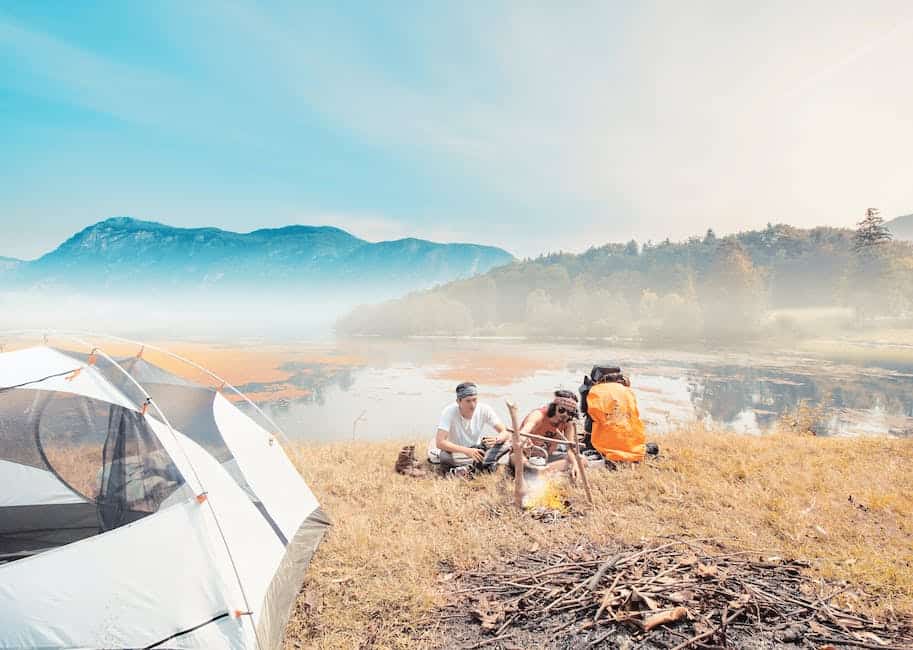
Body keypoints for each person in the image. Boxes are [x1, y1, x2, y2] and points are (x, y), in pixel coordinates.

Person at [580, 364, 656, 465]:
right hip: (633, 447)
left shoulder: (595, 391)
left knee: (593, 418)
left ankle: (595, 449)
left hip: (606, 448)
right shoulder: (628, 391)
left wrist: (584, 393)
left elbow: (586, 413)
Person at [428, 382, 509, 475]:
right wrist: (467, 451)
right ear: (458, 401)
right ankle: (482, 465)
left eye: (475, 400)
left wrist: (497, 439)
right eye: (468, 401)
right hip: (457, 451)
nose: (473, 405)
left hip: (477, 450)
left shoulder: (484, 409)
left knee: (506, 445)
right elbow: (440, 442)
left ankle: (467, 468)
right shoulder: (449, 411)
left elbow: (505, 432)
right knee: (444, 457)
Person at [517, 390, 579, 469]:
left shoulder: (567, 423)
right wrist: (524, 441)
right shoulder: (538, 415)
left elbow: (569, 447)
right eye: (561, 410)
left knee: (581, 460)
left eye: (570, 413)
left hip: (547, 457)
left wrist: (574, 464)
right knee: (519, 460)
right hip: (525, 456)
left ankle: (544, 471)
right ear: (554, 407)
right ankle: (539, 471)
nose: (565, 414)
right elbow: (523, 432)